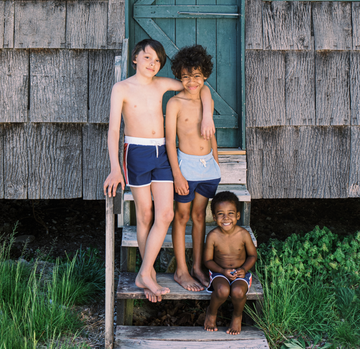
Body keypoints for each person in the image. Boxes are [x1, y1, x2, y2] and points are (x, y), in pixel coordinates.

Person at [103, 39, 214, 303]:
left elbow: (199, 85)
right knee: (145, 214)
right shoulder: (122, 88)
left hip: (162, 153)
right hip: (137, 153)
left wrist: (208, 113)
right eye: (147, 58)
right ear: (135, 58)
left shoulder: (162, 84)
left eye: (157, 60)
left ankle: (143, 273)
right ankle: (149, 273)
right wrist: (114, 169)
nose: (153, 64)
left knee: (165, 213)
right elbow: (113, 130)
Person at [166, 45, 220, 292]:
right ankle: (181, 270)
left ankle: (197, 267)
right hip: (186, 166)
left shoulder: (205, 95)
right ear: (179, 76)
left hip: (208, 167)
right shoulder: (174, 103)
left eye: (197, 75)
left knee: (200, 216)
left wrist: (216, 163)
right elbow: (169, 141)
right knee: (182, 216)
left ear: (205, 75)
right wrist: (177, 173)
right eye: (186, 76)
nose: (191, 81)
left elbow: (212, 137)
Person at [203, 191, 257, 335]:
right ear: (214, 217)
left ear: (238, 216)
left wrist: (244, 269)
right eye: (220, 214)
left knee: (238, 291)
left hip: (240, 272)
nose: (226, 218)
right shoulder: (213, 236)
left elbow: (252, 255)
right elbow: (207, 260)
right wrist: (222, 271)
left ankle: (237, 316)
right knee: (222, 291)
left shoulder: (243, 234)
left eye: (230, 213)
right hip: (219, 272)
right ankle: (212, 312)